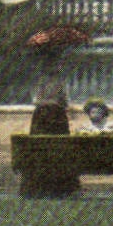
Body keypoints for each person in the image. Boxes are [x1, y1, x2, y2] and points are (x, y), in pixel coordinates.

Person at [22, 56, 79, 197]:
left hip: (41, 117)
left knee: (40, 147)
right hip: (56, 117)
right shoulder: (59, 84)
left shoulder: (40, 83)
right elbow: (64, 101)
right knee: (60, 148)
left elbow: (36, 101)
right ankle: (60, 186)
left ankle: (39, 184)